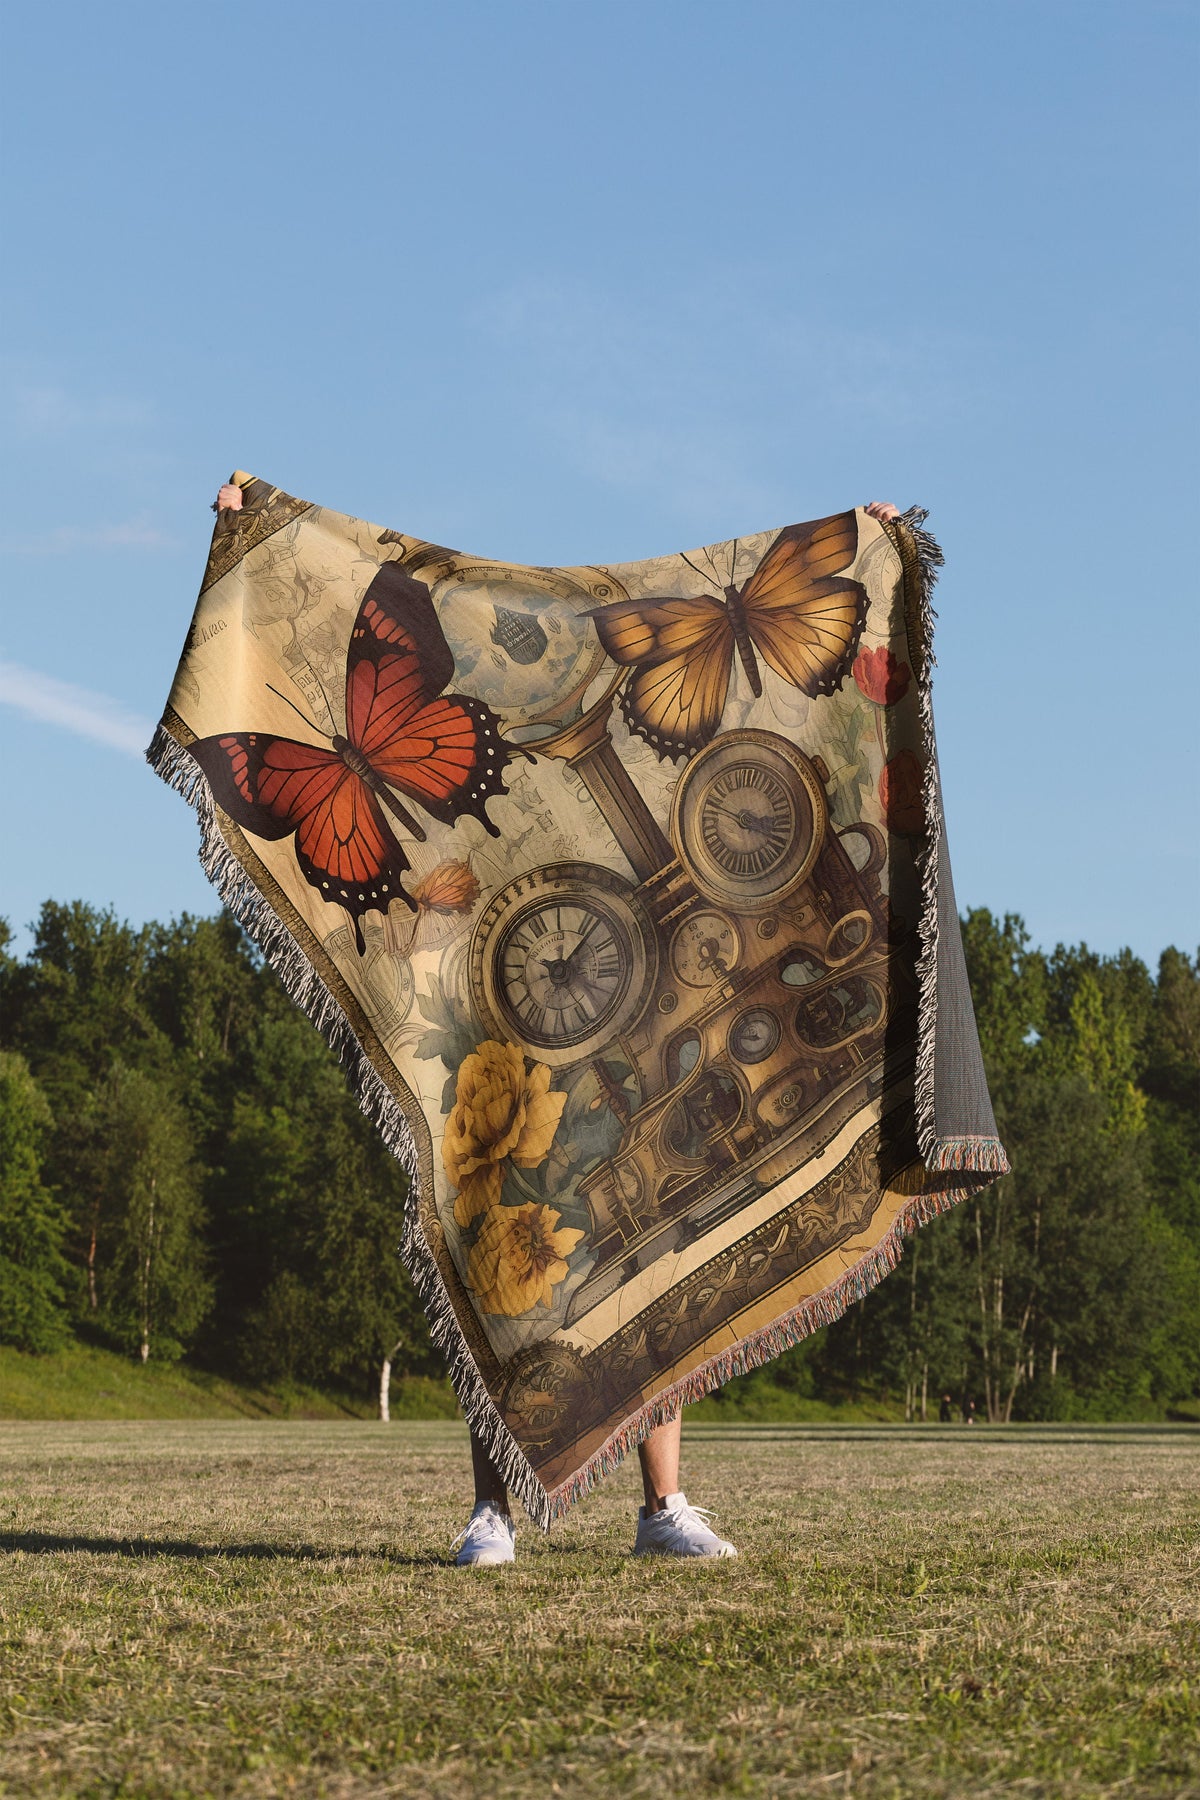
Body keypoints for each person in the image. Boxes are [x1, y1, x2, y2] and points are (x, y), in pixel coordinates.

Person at [211, 482, 901, 1565]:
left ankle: (662, 1505)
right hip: (509, 1036)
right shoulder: (461, 679)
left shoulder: (596, 662)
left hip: (621, 1004)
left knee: (658, 1251)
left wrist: (863, 541)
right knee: (503, 1258)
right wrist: (257, 529)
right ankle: (494, 1508)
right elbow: (326, 609)